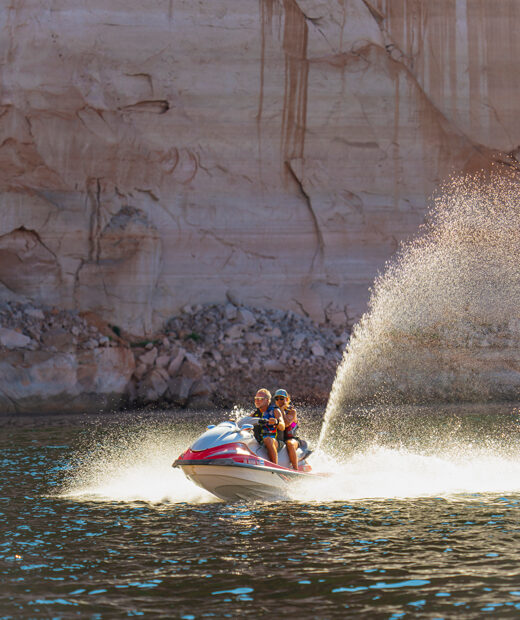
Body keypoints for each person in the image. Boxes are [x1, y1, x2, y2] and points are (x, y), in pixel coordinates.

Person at [252, 388, 285, 464]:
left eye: (260, 399)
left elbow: (282, 426)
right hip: (260, 441)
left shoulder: (275, 411)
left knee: (268, 439)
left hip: (276, 441)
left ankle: (274, 467)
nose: (257, 400)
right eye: (256, 398)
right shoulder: (255, 414)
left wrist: (276, 422)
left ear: (267, 400)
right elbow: (245, 420)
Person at [273, 388, 300, 470]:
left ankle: (296, 469)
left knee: (290, 444)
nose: (279, 400)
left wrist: (282, 411)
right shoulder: (273, 411)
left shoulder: (292, 411)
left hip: (291, 438)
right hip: (279, 439)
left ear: (287, 399)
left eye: (281, 398)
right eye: (277, 399)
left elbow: (287, 423)